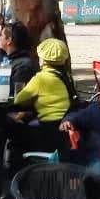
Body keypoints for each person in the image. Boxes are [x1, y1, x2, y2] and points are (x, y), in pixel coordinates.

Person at [8, 39, 76, 170]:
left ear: (43, 60)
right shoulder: (66, 75)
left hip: (48, 128)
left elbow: (19, 99)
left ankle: (17, 172)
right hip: (65, 124)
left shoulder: (41, 78)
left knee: (17, 133)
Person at [0, 20, 37, 96]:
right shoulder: (10, 60)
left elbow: (17, 97)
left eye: (1, 35)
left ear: (9, 40)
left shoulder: (23, 66)